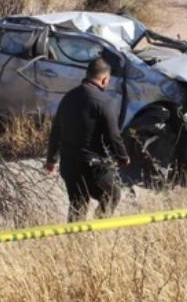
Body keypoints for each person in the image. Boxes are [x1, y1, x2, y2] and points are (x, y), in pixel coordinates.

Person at [45, 57, 130, 222]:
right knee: (112, 195)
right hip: (93, 167)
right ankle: (98, 231)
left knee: (78, 204)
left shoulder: (68, 97)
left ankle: (75, 242)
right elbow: (114, 134)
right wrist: (123, 156)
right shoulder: (104, 102)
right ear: (104, 79)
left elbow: (56, 130)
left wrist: (52, 159)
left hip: (69, 166)